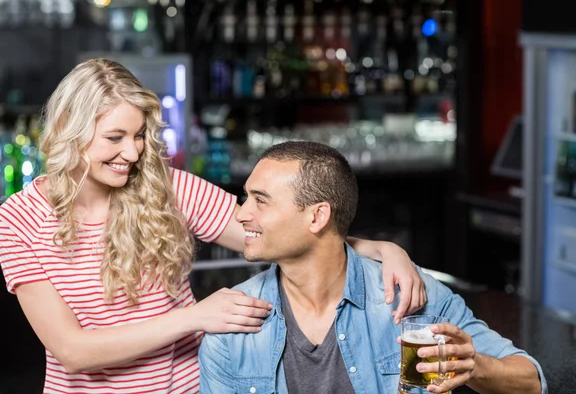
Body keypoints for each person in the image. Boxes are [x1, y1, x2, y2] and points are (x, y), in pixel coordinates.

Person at [0, 59, 426, 393]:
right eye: (115, 137)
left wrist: (381, 248)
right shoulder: (16, 220)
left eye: (139, 135)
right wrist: (193, 317)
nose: (133, 152)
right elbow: (73, 352)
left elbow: (278, 232)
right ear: (70, 129)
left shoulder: (168, 187)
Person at [198, 141, 547, 394]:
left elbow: (531, 381)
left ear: (317, 216)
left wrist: (475, 366)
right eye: (246, 197)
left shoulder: (411, 296)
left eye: (260, 200)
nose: (241, 213)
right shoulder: (232, 324)